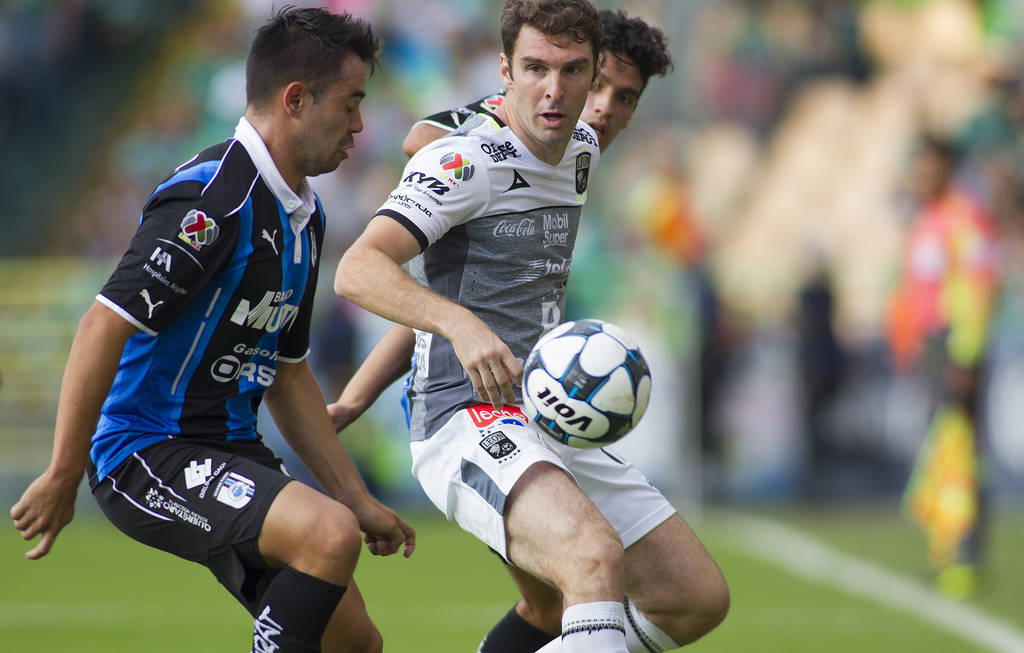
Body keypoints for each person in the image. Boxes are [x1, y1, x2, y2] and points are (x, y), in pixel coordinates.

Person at [10, 8, 414, 653]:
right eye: (351, 102)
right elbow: (102, 324)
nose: (360, 126)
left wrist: (357, 496)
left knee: (354, 642)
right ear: (295, 100)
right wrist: (62, 472)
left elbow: (286, 373)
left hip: (232, 450)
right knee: (328, 535)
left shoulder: (304, 217)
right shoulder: (216, 198)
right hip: (147, 451)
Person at [333, 2, 729, 652]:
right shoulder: (465, 160)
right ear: (505, 71)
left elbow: (455, 295)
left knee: (694, 598)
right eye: (536, 69)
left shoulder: (582, 153)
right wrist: (458, 325)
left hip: (546, 411)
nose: (558, 89)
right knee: (590, 558)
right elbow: (358, 268)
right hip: (465, 417)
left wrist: (363, 390)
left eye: (574, 72)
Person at [887, 136, 1000, 600]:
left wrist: (966, 354)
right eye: (917, 167)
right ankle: (945, 549)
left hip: (957, 346)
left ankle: (965, 556)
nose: (919, 176)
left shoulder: (965, 218)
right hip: (934, 347)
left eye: (928, 167)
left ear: (948, 168)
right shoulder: (928, 219)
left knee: (961, 449)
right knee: (942, 449)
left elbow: (978, 286)